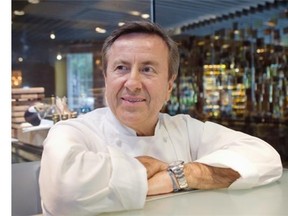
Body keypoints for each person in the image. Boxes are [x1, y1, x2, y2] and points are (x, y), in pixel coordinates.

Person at [39, 21, 283, 215]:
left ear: (169, 85)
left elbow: (266, 158)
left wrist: (185, 175)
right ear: (106, 78)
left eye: (147, 69)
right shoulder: (72, 131)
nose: (132, 83)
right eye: (121, 68)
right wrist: (144, 168)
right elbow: (63, 192)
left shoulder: (184, 128)